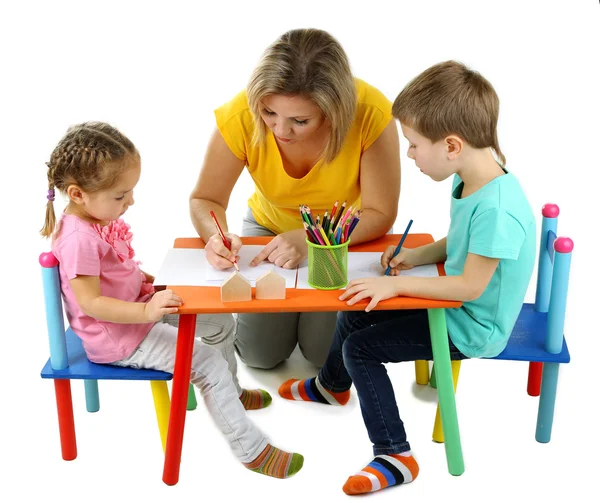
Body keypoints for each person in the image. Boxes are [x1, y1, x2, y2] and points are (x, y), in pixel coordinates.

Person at [278, 60, 536, 495]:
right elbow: (460, 242)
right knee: (358, 307)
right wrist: (417, 256)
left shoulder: (496, 209)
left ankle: (396, 455)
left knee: (361, 348)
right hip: (455, 307)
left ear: (452, 145)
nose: (410, 154)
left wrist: (396, 284)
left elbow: (469, 286)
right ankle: (331, 387)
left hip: (472, 326)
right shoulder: (477, 181)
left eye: (414, 145)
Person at [40, 121, 303, 479]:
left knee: (220, 323)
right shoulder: (78, 239)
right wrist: (147, 309)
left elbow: (109, 273)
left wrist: (145, 284)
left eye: (130, 191)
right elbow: (91, 303)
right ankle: (251, 451)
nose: (130, 201)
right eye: (120, 195)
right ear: (77, 193)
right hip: (122, 339)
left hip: (137, 311)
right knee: (207, 364)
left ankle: (233, 392)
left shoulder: (91, 220)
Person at [189, 28, 401, 370]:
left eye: (299, 121)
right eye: (269, 113)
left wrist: (311, 240)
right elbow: (205, 198)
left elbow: (379, 212)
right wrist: (215, 235)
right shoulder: (240, 115)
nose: (280, 130)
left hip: (337, 238)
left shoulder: (370, 113)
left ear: (334, 111)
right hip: (267, 229)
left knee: (324, 356)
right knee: (260, 356)